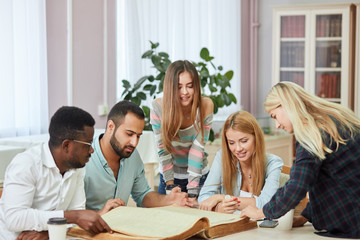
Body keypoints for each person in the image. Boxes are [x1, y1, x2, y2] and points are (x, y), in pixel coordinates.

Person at [240, 81, 360, 238]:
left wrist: (261, 212)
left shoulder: (311, 132)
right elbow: (336, 178)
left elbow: (298, 184)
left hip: (351, 224)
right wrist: (306, 216)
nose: (276, 125)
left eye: (274, 116)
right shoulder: (329, 121)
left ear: (286, 105)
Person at [0, 106, 112, 240]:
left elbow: (77, 217)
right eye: (87, 145)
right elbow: (14, 218)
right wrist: (72, 216)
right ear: (66, 145)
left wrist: (47, 233)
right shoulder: (26, 164)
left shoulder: (77, 167)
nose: (91, 151)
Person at [84, 100, 191, 212]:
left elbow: (143, 195)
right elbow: (71, 213)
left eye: (138, 136)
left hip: (120, 226)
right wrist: (99, 215)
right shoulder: (84, 159)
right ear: (110, 127)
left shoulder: (132, 156)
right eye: (129, 134)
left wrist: (169, 199)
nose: (134, 143)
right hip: (87, 229)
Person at [197, 111, 283, 213]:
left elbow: (267, 204)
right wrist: (220, 208)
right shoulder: (222, 157)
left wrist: (222, 198)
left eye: (244, 141)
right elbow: (204, 198)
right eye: (231, 143)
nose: (237, 149)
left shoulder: (273, 163)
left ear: (256, 138)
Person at [150, 60, 214, 198]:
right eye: (179, 87)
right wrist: (170, 186)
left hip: (199, 175)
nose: (185, 92)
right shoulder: (158, 107)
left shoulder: (205, 106)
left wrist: (192, 193)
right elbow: (163, 149)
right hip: (170, 176)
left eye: (190, 86)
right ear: (170, 88)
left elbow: (197, 150)